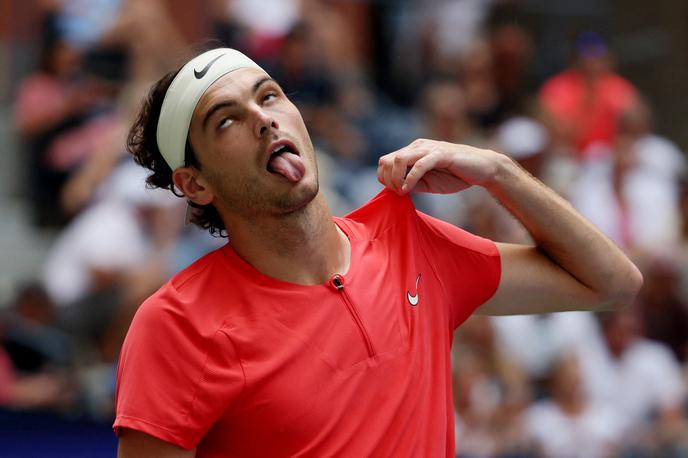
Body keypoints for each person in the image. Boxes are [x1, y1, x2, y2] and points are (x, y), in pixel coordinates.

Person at [113, 47, 642, 457]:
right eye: (226, 120)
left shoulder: (411, 242)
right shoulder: (175, 325)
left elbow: (612, 282)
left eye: (269, 95)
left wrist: (499, 173)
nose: (263, 118)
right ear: (195, 184)